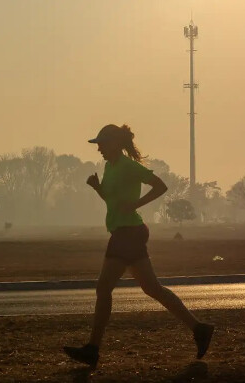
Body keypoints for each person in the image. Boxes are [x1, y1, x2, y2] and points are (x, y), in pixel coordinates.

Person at [63, 124, 214, 368]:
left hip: (128, 234)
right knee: (152, 288)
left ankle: (92, 348)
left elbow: (161, 186)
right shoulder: (109, 167)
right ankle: (199, 328)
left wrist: (136, 204)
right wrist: (97, 188)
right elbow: (113, 201)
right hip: (126, 232)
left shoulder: (128, 166)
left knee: (104, 288)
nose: (98, 148)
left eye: (101, 143)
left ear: (114, 143)